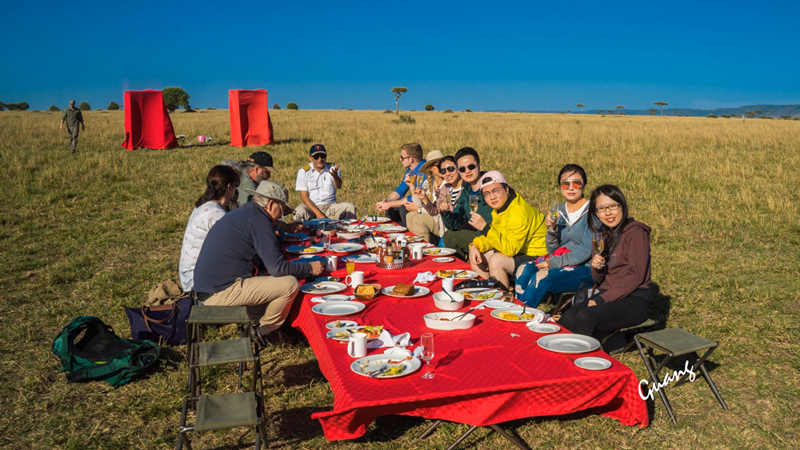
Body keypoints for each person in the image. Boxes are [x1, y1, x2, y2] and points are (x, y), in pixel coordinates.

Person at [193, 181, 324, 342]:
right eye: (281, 210)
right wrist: (309, 268)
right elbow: (278, 267)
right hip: (218, 292)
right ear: (270, 204)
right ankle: (264, 330)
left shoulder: (248, 213)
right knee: (289, 284)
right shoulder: (259, 221)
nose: (280, 217)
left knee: (275, 277)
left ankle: (254, 321)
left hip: (210, 286)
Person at [557, 185, 651, 341]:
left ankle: (582, 360)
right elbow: (598, 280)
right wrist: (598, 268)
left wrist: (601, 299)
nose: (608, 213)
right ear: (596, 214)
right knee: (569, 317)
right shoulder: (601, 236)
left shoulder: (635, 233)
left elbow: (636, 276)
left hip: (633, 300)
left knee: (586, 317)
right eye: (601, 209)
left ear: (622, 206)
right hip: (607, 294)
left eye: (612, 206)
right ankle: (557, 355)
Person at [514, 164, 594, 307]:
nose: (571, 188)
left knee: (542, 277)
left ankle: (520, 316)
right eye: (565, 184)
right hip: (562, 261)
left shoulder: (592, 212)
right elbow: (553, 251)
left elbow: (587, 250)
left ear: (584, 184)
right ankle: (517, 311)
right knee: (524, 269)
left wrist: (553, 263)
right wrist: (551, 230)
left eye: (576, 183)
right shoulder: (559, 210)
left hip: (585, 268)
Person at [467, 171, 547, 289]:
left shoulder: (518, 212)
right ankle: (484, 293)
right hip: (519, 251)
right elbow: (497, 236)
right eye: (487, 194)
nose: (492, 197)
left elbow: (510, 249)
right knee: (476, 254)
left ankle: (502, 300)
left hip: (538, 256)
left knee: (496, 260)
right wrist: (475, 245)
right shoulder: (501, 208)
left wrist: (484, 228)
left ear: (507, 189)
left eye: (496, 190)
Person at [178, 165, 240, 293]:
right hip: (196, 277)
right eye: (236, 184)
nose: (237, 188)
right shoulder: (216, 214)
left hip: (190, 272)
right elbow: (234, 248)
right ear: (229, 187)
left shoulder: (205, 205)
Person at [441, 147, 493, 259]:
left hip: (493, 234)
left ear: (479, 166)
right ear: (459, 172)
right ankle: (461, 269)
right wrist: (446, 213)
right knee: (449, 236)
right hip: (479, 235)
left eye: (471, 167)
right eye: (462, 169)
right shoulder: (466, 191)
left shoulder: (492, 187)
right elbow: (455, 224)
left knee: (449, 237)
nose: (467, 171)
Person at [294, 144, 357, 221]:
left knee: (350, 207)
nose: (320, 159)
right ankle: (302, 232)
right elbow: (304, 197)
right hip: (311, 207)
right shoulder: (303, 172)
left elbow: (339, 186)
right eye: (316, 157)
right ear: (310, 157)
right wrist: (318, 214)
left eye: (322, 156)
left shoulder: (333, 168)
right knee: (298, 212)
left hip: (330, 206)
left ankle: (348, 231)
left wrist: (335, 176)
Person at [375, 143, 427, 226]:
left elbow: (414, 198)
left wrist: (389, 204)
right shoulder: (411, 170)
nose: (400, 160)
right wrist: (386, 201)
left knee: (404, 208)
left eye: (402, 157)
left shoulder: (424, 171)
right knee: (391, 208)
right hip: (417, 201)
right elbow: (400, 190)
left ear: (411, 159)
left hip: (424, 205)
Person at [404, 150, 447, 243]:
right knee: (410, 216)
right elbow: (418, 204)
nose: (442, 168)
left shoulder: (447, 183)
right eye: (438, 165)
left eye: (443, 165)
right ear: (431, 168)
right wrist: (412, 186)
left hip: (442, 220)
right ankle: (415, 246)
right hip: (433, 216)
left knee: (419, 219)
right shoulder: (429, 181)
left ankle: (424, 249)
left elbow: (437, 211)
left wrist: (419, 210)